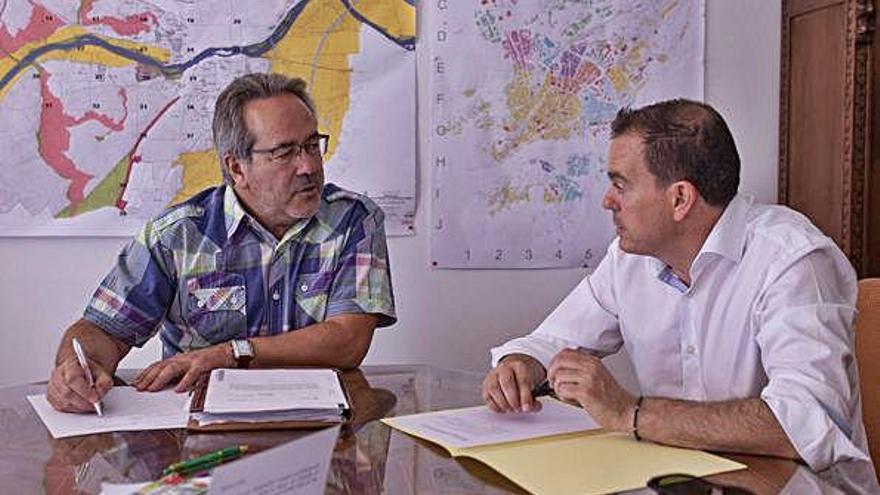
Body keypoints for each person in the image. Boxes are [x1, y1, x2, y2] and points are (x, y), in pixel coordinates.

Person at [482, 99, 878, 491]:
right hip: (685, 479)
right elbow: (553, 341)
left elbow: (801, 424)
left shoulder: (793, 261)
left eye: (620, 184)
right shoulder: (630, 260)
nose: (607, 201)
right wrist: (523, 364)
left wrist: (630, 413)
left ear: (680, 199)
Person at [47, 73, 396, 413]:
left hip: (321, 427)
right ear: (237, 167)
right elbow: (102, 330)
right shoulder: (177, 236)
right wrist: (77, 370)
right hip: (201, 436)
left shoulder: (354, 220)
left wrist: (231, 353)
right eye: (285, 152)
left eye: (310, 145)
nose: (308, 165)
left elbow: (347, 342)